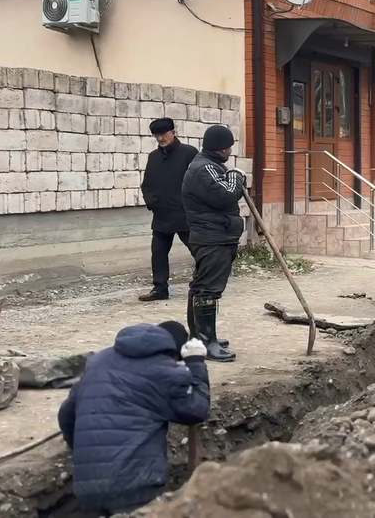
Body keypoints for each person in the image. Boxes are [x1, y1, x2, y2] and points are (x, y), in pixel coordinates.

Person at [57, 321, 209, 514]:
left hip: (87, 487)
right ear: (174, 351)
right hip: (137, 485)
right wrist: (196, 364)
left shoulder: (98, 361)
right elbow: (196, 410)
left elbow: (66, 415)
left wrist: (81, 450)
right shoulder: (165, 371)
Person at [181, 124, 245, 362]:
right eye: (228, 146)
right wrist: (236, 176)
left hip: (214, 235)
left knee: (201, 286)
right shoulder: (204, 168)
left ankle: (198, 337)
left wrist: (230, 175)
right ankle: (207, 343)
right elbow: (226, 194)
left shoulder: (208, 166)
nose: (230, 150)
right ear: (220, 148)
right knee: (208, 289)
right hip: (213, 238)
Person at [138, 118, 198, 302]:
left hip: (184, 214)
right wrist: (152, 202)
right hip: (162, 214)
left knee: (199, 250)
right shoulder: (153, 157)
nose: (160, 138)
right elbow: (147, 184)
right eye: (157, 135)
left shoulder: (189, 153)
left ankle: (206, 282)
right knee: (158, 252)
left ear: (173, 132)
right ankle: (160, 288)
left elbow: (199, 179)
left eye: (164, 134)